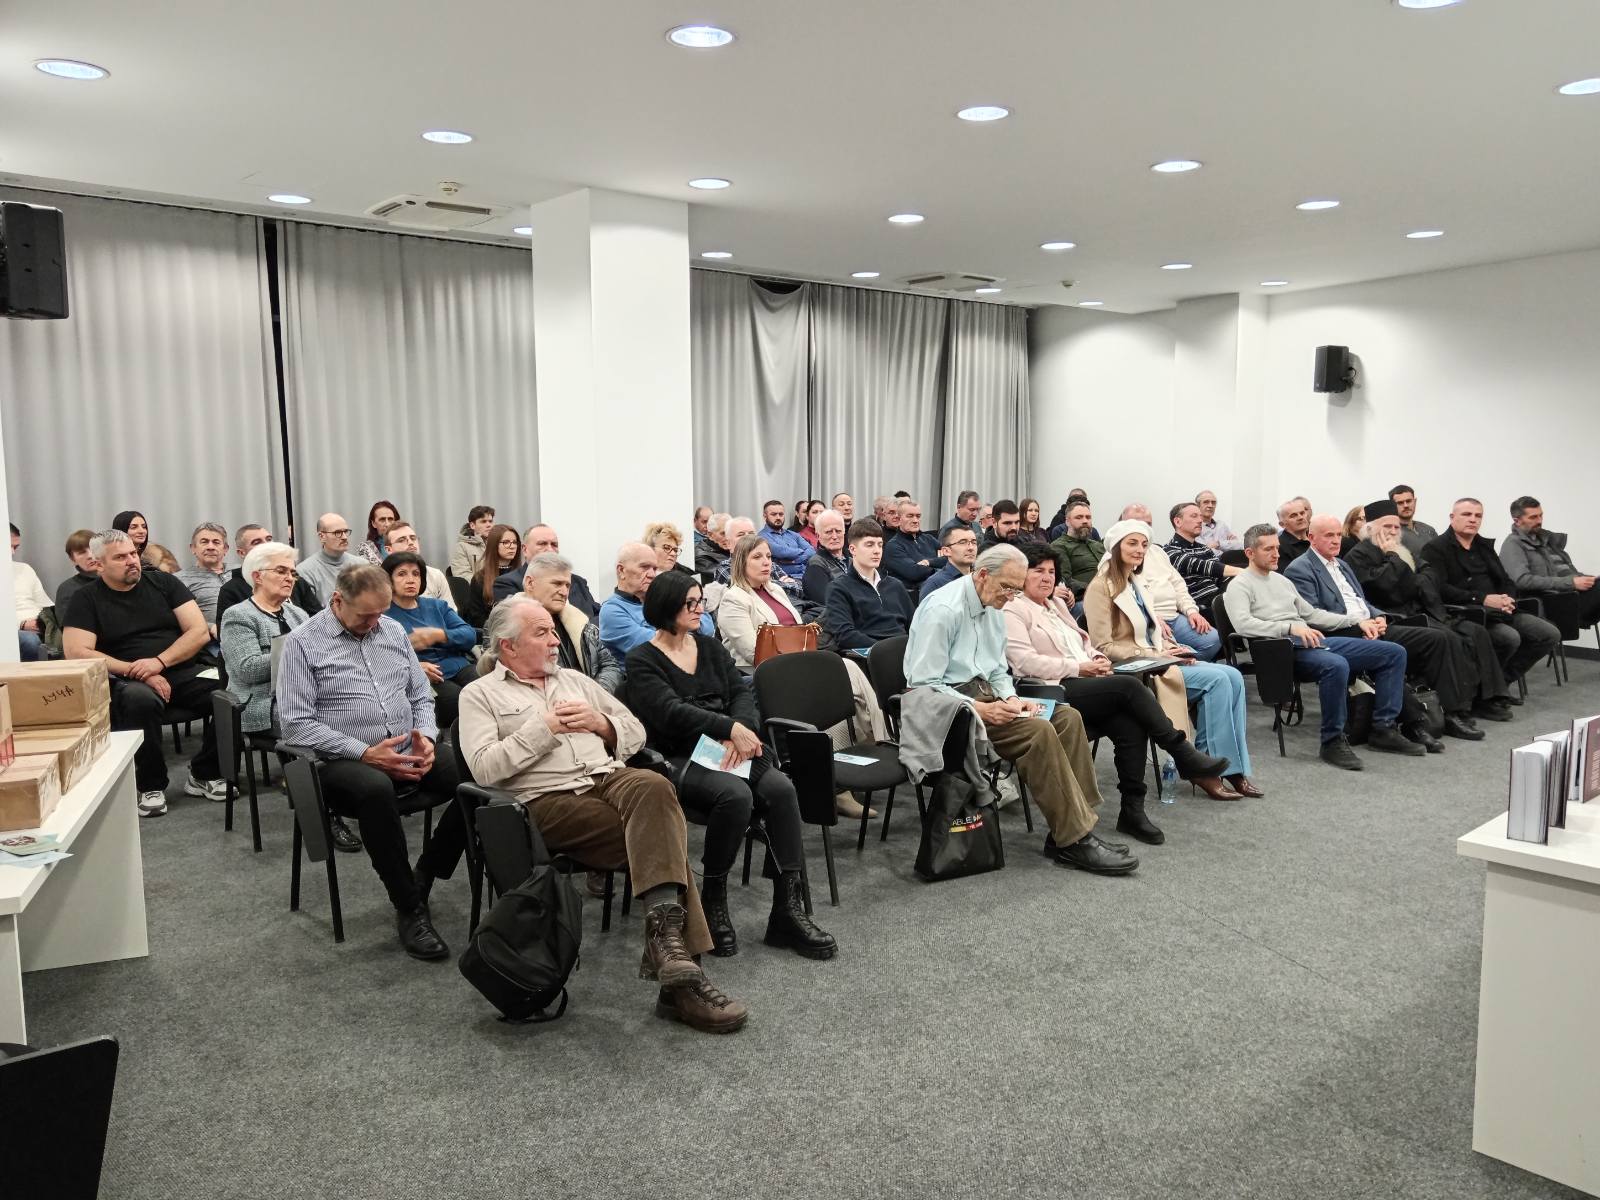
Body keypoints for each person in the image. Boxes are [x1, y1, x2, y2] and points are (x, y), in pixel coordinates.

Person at [459, 596, 747, 1033]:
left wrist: (601, 724)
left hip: (608, 778)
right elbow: (484, 767)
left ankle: (670, 953)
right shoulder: (479, 694)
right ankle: (681, 985)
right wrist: (544, 728)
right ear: (508, 646)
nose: (555, 640)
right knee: (661, 839)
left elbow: (636, 731)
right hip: (545, 799)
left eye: (553, 630)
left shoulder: (575, 680)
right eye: (542, 632)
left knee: (654, 786)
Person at [626, 571, 837, 960]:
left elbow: (741, 692)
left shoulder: (709, 647)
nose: (699, 609)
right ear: (666, 607)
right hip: (681, 753)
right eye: (690, 603)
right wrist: (729, 728)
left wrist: (738, 730)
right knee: (735, 795)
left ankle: (786, 910)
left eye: (700, 601)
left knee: (781, 789)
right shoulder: (642, 659)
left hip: (728, 747)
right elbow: (669, 713)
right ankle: (713, 900)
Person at [905, 543, 1136, 875]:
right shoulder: (943, 610)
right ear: (982, 575)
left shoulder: (994, 604)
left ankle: (1072, 830)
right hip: (949, 709)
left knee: (1066, 717)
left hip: (986, 695)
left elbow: (998, 670)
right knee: (1037, 731)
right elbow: (923, 684)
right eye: (1007, 588)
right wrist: (979, 709)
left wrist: (1011, 699)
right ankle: (1075, 839)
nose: (1012, 596)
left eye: (1016, 589)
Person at [276, 563, 467, 961]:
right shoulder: (303, 643)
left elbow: (420, 695)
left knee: (473, 777)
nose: (373, 622)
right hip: (339, 760)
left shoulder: (391, 630)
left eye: (380, 612)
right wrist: (364, 752)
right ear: (337, 600)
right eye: (365, 615)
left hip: (406, 749)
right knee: (375, 790)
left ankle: (427, 870)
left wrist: (426, 736)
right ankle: (409, 907)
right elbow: (295, 725)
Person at [1004, 544, 1237, 842]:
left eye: (1051, 572)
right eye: (1038, 571)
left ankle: (1132, 811)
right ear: (1021, 575)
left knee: (1131, 723)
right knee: (1128, 685)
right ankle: (1181, 752)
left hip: (1081, 681)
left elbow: (1083, 642)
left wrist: (1097, 658)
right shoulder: (1013, 609)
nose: (1047, 577)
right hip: (1049, 689)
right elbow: (1023, 662)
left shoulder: (1056, 605)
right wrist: (1079, 667)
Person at [1083, 521, 1260, 798]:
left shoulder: (1135, 583)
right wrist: (1156, 655)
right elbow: (1103, 646)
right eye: (1132, 543)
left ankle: (1232, 767)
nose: (1140, 549)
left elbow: (1149, 632)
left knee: (1233, 676)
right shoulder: (1100, 587)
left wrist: (1172, 648)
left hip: (1157, 659)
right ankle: (1204, 767)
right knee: (1217, 680)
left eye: (1144, 544)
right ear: (1115, 547)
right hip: (1133, 670)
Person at [1225, 524, 1420, 771]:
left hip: (1309, 641)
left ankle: (1383, 728)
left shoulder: (1281, 581)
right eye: (1268, 549)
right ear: (1250, 553)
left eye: (1277, 548)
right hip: (1279, 651)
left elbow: (1312, 614)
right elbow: (1243, 625)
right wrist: (1289, 627)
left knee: (1392, 653)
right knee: (1336, 665)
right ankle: (1332, 741)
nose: (1276, 554)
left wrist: (1356, 621)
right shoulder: (1239, 585)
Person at [64, 529, 224, 816]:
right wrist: (138, 670)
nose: (131, 561)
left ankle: (205, 772)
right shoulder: (85, 599)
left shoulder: (164, 583)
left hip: (178, 669)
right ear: (99, 564)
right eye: (120, 557)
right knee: (140, 701)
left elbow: (198, 631)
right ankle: (150, 785)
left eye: (133, 554)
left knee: (229, 692)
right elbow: (77, 651)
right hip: (125, 678)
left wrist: (159, 663)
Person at [1285, 514, 1476, 746]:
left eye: (1337, 535)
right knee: (1389, 652)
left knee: (1437, 638)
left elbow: (1360, 601)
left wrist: (1379, 616)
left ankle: (1450, 713)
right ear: (1311, 537)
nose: (1336, 540)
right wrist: (1357, 623)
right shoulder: (1300, 568)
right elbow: (1313, 615)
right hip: (1339, 633)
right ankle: (1411, 723)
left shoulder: (1341, 564)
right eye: (1328, 536)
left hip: (1367, 626)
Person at [1346, 499, 1512, 724]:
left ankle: (1487, 699)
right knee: (1448, 638)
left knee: (1475, 631)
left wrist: (1409, 577)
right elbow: (1383, 586)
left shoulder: (1402, 549)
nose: (1393, 531)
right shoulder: (1358, 555)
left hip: (1424, 610)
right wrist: (1393, 558)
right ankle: (1454, 710)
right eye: (1387, 526)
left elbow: (1429, 573)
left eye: (1396, 527)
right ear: (1370, 528)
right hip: (1395, 617)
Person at [1420, 498, 1561, 691]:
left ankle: (1499, 683)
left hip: (1500, 609)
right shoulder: (1435, 548)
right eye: (1467, 514)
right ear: (1452, 517)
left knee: (1549, 634)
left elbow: (1505, 580)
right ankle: (1489, 689)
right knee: (1509, 638)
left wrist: (1508, 598)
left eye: (1478, 516)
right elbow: (1439, 589)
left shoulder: (1483, 546)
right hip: (1467, 612)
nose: (1473, 519)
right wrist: (1483, 599)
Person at [219, 540, 309, 737]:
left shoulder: (298, 614)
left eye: (292, 573)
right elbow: (248, 669)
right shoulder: (238, 615)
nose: (289, 578)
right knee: (324, 722)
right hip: (263, 703)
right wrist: (298, 652)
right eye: (281, 571)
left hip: (303, 694)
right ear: (257, 576)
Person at [381, 552, 478, 730]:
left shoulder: (437, 606)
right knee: (455, 700)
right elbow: (381, 657)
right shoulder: (383, 616)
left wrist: (439, 635)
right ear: (388, 581)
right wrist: (414, 668)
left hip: (458, 665)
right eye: (402, 574)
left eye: (416, 574)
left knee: (483, 688)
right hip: (426, 675)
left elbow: (469, 635)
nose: (411, 580)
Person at [1113, 504, 1220, 661]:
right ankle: (1176, 665)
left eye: (1148, 524)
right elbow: (1127, 597)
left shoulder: (1158, 552)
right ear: (1123, 525)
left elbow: (1178, 585)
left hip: (1174, 616)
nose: (1145, 529)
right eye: (1139, 523)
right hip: (1147, 620)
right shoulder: (1116, 557)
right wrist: (1151, 618)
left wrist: (1191, 611)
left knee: (1213, 640)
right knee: (1169, 649)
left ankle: (1182, 664)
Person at [523, 552, 622, 692]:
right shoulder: (511, 625)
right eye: (557, 584)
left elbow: (610, 664)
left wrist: (594, 695)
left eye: (567, 585)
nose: (564, 592)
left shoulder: (580, 622)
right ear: (530, 583)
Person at [598, 541, 714, 661]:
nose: (652, 574)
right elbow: (657, 647)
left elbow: (707, 627)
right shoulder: (612, 611)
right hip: (646, 670)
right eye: (644, 567)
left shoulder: (661, 597)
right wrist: (685, 629)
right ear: (621, 570)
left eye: (654, 568)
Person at [1500, 496, 1600, 631]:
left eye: (1541, 515)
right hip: (1550, 602)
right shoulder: (1513, 544)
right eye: (1533, 517)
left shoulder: (1548, 541)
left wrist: (1588, 579)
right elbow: (1520, 580)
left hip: (1571, 595)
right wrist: (1571, 583)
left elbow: (1565, 572)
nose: (1539, 521)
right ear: (1517, 521)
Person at [824, 518, 913, 652]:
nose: (877, 551)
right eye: (870, 545)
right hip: (870, 655)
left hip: (905, 652)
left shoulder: (896, 585)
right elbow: (845, 635)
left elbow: (914, 626)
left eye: (880, 545)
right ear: (853, 549)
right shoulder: (838, 588)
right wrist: (885, 650)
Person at [216, 524, 323, 628]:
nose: (266, 545)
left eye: (269, 539)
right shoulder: (231, 590)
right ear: (241, 553)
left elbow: (318, 620)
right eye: (257, 542)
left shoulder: (294, 580)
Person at [493, 524, 596, 617]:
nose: (550, 549)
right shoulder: (507, 583)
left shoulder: (578, 581)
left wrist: (590, 629)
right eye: (542, 544)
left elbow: (597, 614)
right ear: (525, 550)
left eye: (554, 545)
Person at [1164, 501, 1244, 615]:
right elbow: (1204, 567)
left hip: (1217, 598)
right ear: (1178, 522)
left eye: (1200, 516)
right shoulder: (1169, 550)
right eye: (1194, 516)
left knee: (1241, 581)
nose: (1200, 520)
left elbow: (1219, 578)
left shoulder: (1204, 548)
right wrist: (1245, 573)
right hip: (1198, 607)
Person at [381, 524, 458, 611]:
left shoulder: (435, 575)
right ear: (389, 549)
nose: (410, 542)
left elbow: (450, 611)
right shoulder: (381, 578)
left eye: (413, 538)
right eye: (401, 540)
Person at [175, 522, 231, 636]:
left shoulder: (242, 571)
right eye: (204, 542)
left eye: (216, 542)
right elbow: (175, 618)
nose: (210, 547)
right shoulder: (178, 580)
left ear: (225, 549)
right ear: (193, 548)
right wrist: (210, 627)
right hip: (210, 640)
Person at [299, 513, 367, 605]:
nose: (344, 537)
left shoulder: (363, 566)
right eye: (337, 533)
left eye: (345, 531)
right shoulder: (305, 571)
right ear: (322, 536)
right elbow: (310, 611)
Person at [462, 523, 521, 628]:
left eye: (515, 542)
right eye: (506, 542)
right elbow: (477, 618)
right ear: (494, 545)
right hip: (493, 631)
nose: (512, 546)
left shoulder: (524, 575)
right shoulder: (480, 579)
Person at [9, 524, 54, 661]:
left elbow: (46, 604)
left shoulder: (25, 569)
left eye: (15, 547)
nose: (12, 553)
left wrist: (52, 620)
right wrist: (21, 624)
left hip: (39, 623)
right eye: (8, 546)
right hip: (14, 630)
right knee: (29, 641)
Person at [883, 499, 941, 592]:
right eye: (910, 516)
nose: (915, 520)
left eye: (918, 516)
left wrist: (929, 562)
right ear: (899, 519)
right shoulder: (893, 546)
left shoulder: (929, 539)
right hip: (914, 596)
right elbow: (914, 573)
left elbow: (951, 558)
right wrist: (940, 569)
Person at [1049, 501, 1105, 596]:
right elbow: (1066, 579)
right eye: (1079, 517)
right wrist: (1094, 589)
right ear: (1067, 521)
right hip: (1083, 597)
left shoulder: (1098, 545)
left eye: (1088, 517)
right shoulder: (1059, 546)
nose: (1085, 521)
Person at [757, 499, 814, 585]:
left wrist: (795, 560)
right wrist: (803, 554)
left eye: (781, 514)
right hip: (786, 580)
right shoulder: (762, 537)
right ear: (765, 516)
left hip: (807, 575)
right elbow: (782, 552)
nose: (778, 517)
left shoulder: (793, 534)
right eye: (773, 514)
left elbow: (812, 551)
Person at [921, 524, 979, 602]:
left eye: (974, 542)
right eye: (962, 542)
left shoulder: (980, 579)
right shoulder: (935, 584)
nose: (971, 548)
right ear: (946, 551)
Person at [802, 508, 850, 604]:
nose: (834, 536)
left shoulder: (853, 561)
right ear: (818, 536)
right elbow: (825, 603)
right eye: (829, 532)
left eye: (838, 531)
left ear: (844, 532)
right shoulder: (816, 565)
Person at [54, 528, 101, 618]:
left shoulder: (118, 578)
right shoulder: (68, 589)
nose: (90, 556)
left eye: (93, 549)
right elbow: (67, 624)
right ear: (73, 560)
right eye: (82, 552)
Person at [1390, 484, 1439, 559]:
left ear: (1415, 502)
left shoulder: (1429, 530)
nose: (1406, 505)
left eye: (1408, 501)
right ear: (1392, 505)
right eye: (1400, 503)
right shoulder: (1391, 534)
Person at [449, 505, 496, 579]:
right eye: (483, 521)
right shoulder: (461, 547)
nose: (489, 525)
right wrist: (487, 584)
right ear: (472, 525)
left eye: (490, 521)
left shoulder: (497, 544)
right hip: (478, 586)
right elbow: (463, 576)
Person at [1276, 497, 1313, 568]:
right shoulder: (1279, 547)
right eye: (1293, 516)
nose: (1300, 517)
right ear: (1282, 524)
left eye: (1302, 513)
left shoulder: (1316, 538)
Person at [695, 513, 734, 577]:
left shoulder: (734, 548)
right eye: (723, 533)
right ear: (710, 535)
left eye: (730, 532)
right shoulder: (701, 557)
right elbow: (726, 576)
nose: (728, 537)